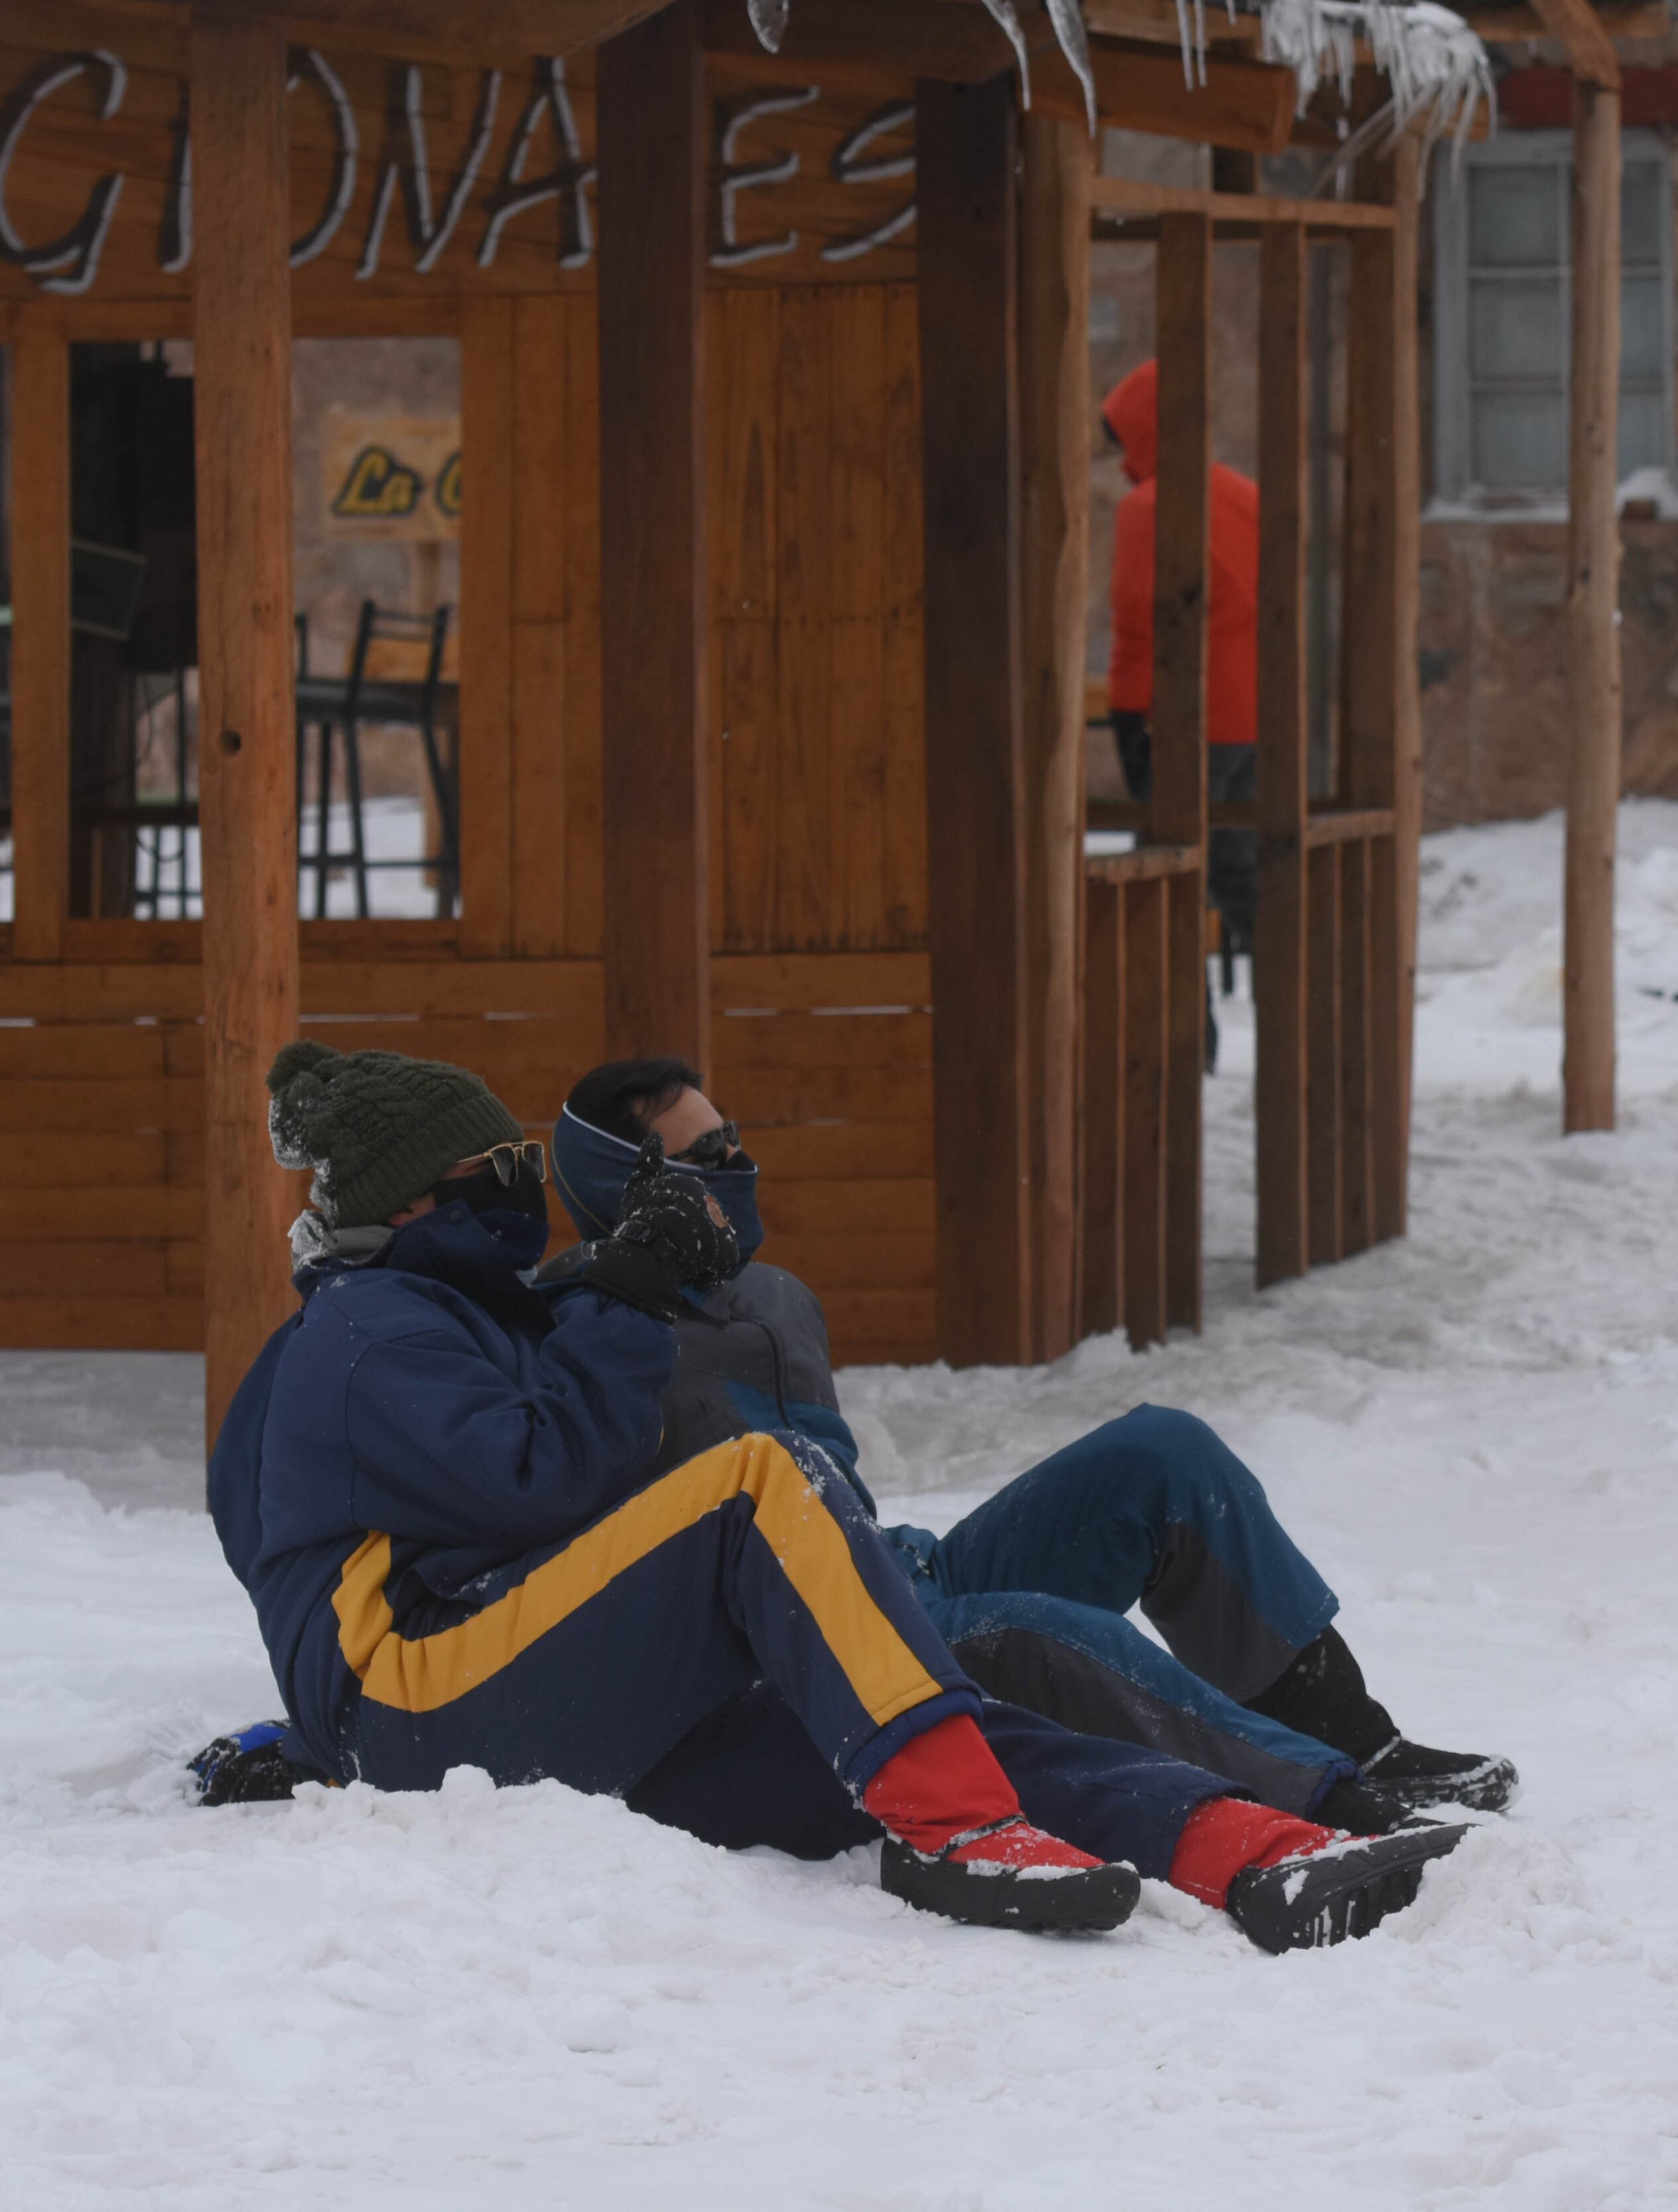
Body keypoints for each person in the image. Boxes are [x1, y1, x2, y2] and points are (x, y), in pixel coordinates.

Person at [204, 1043, 1465, 1951]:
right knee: (781, 1495)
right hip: (427, 1693)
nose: (517, 1186)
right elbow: (544, 1484)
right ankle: (971, 1828)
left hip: (605, 1686)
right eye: (502, 1165)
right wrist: (314, 1725)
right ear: (412, 1199)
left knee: (932, 1721)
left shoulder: (536, 1312)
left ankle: (1247, 1851)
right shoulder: (368, 1329)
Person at [525, 1055, 1517, 1834]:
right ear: (634, 1185)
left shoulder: (778, 1299)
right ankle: (1317, 1796)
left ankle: (1353, 1737)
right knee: (1041, 1628)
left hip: (897, 1574)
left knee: (1164, 1454)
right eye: (705, 1157)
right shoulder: (577, 1332)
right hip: (815, 1651)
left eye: (733, 1138)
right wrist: (621, 1292)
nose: (736, 1166)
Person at [1101, 358, 1262, 972]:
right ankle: (1297, 1019)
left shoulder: (1146, 510)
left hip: (1187, 721)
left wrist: (1125, 718)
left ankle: (1179, 1039)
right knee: (1243, 876)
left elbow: (1138, 626)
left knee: (1165, 884)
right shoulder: (1247, 496)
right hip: (1253, 720)